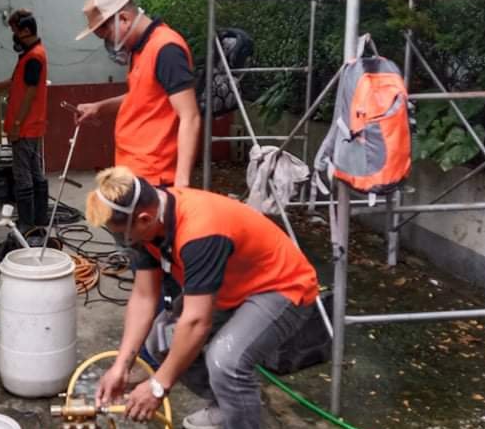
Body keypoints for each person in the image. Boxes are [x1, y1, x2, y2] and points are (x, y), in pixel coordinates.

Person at [85, 166, 319, 429]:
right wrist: (121, 366)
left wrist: (158, 386)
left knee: (225, 362)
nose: (119, 239)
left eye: (119, 233)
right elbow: (143, 297)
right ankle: (230, 404)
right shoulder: (147, 225)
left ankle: (241, 413)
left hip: (280, 288)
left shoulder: (200, 231)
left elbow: (197, 322)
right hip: (228, 287)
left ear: (144, 218)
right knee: (161, 340)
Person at [74, 0, 200, 188]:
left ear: (123, 19)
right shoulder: (141, 49)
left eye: (106, 36)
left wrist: (181, 184)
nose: (108, 44)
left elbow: (190, 116)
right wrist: (100, 107)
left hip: (155, 177)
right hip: (134, 173)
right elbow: (145, 95)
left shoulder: (166, 49)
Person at [0, 9, 48, 228]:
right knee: (35, 173)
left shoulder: (34, 57)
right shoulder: (30, 55)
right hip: (31, 126)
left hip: (25, 127)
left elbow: (30, 94)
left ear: (26, 31)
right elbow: (14, 83)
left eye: (15, 31)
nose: (14, 36)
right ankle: (39, 220)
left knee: (23, 176)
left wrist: (16, 125)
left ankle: (27, 225)